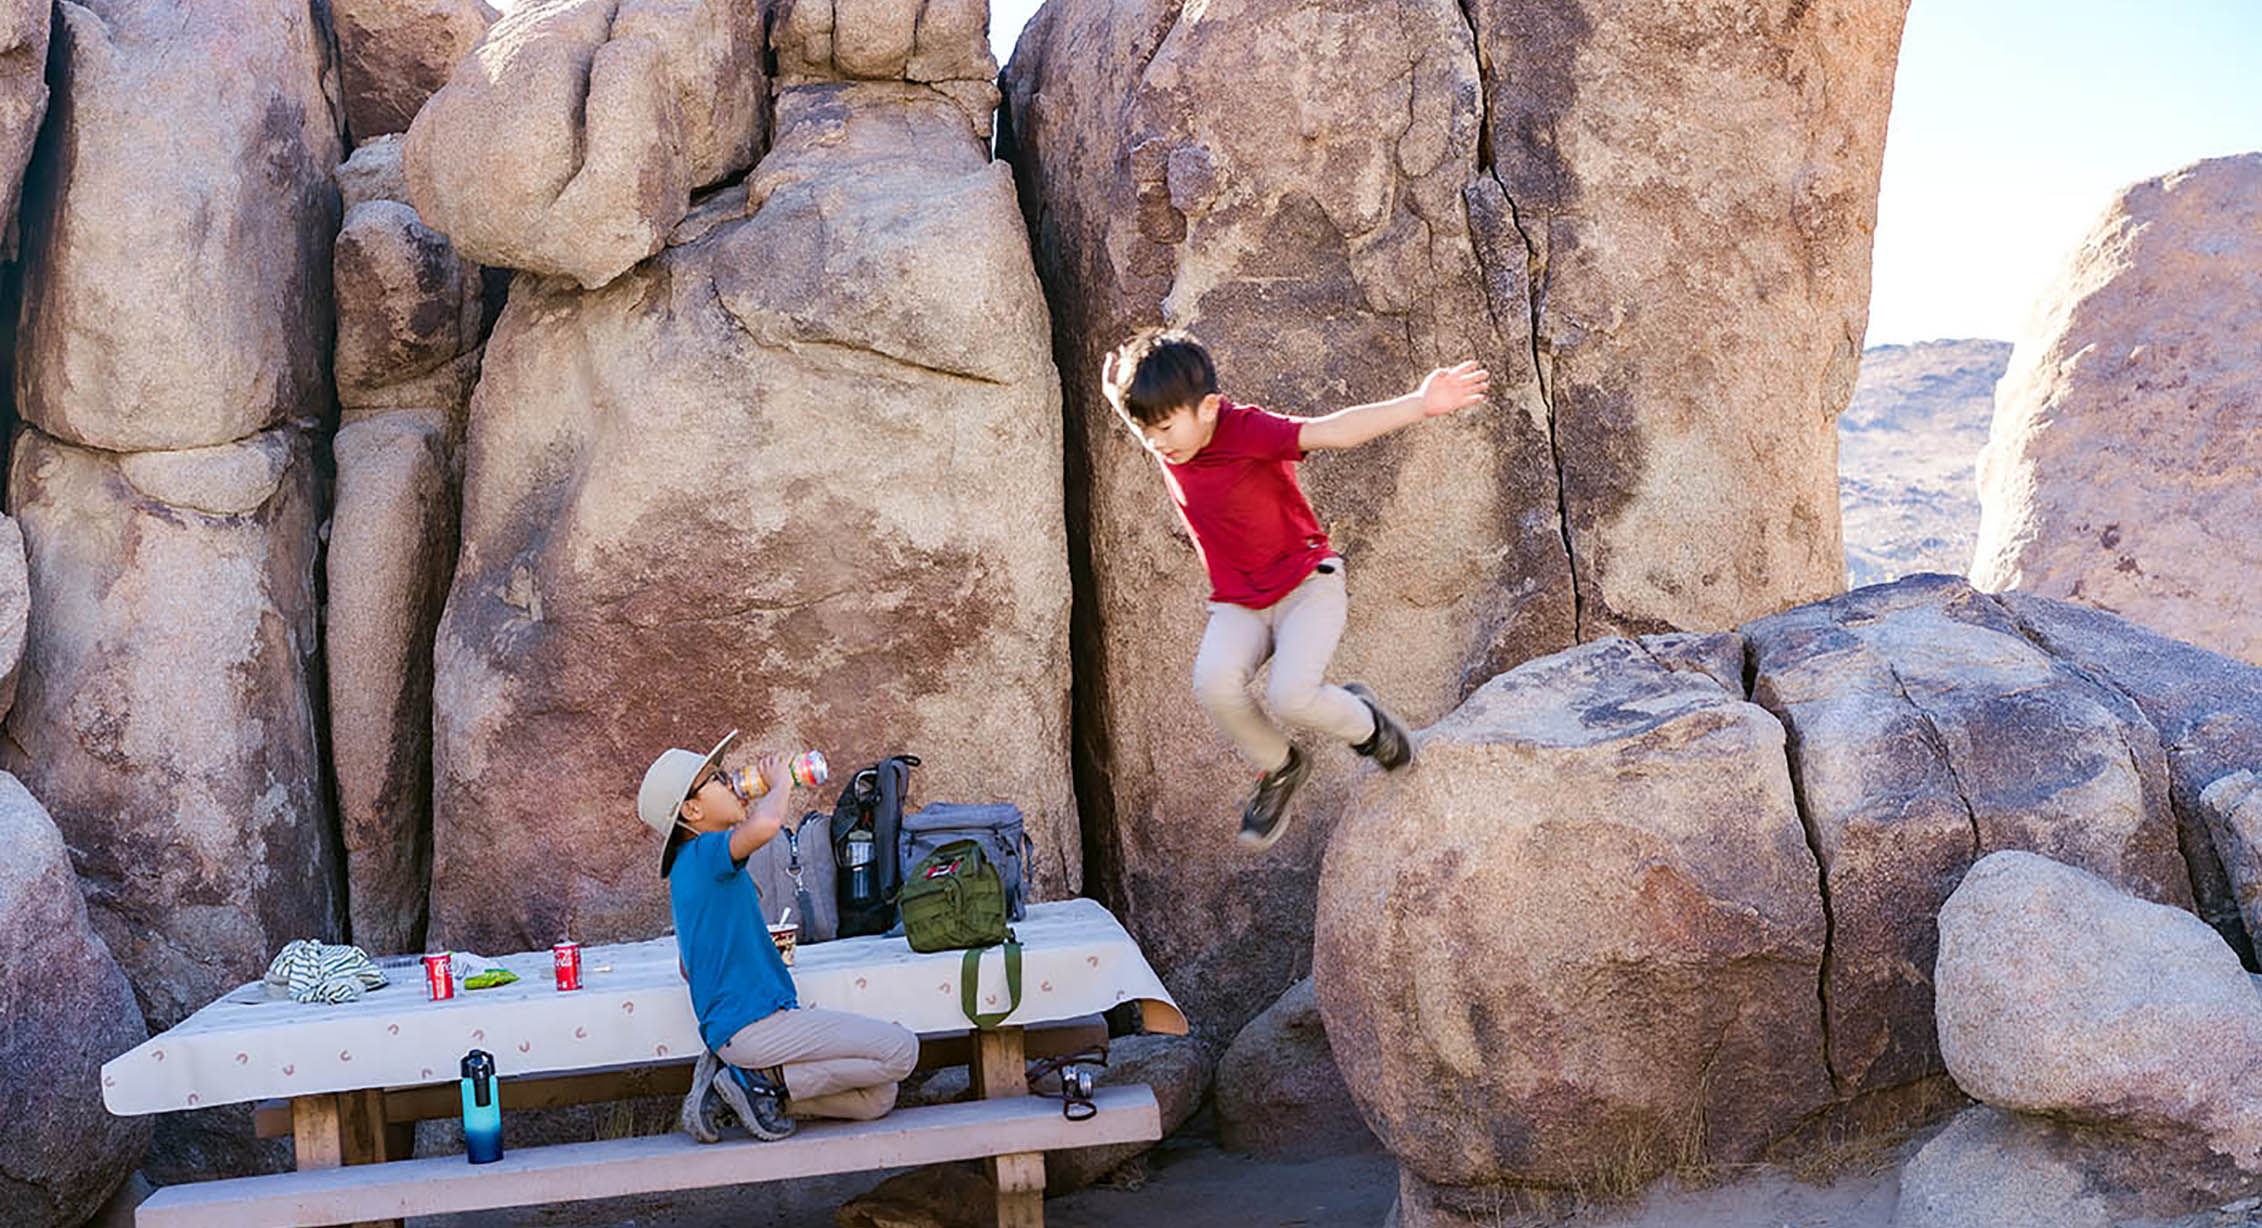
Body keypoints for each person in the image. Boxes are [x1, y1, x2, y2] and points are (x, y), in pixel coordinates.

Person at [1101, 330, 1491, 847]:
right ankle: (1280, 766)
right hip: (1240, 603)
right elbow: (1151, 423)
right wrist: (1117, 398)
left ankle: (1368, 726)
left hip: (1308, 586)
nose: (1156, 444)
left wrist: (1420, 404)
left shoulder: (1246, 431)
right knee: (1214, 684)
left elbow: (1334, 432)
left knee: (1292, 695)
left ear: (1210, 409)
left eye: (1165, 427)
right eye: (1144, 430)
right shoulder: (1170, 438)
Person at [638, 730, 918, 1142]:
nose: (731, 781)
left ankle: (749, 1092)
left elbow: (688, 966)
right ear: (692, 811)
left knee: (877, 1098)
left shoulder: (695, 870)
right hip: (755, 1027)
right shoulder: (703, 854)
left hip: (750, 1028)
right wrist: (782, 780)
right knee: (902, 1051)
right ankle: (758, 1076)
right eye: (716, 780)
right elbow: (767, 825)